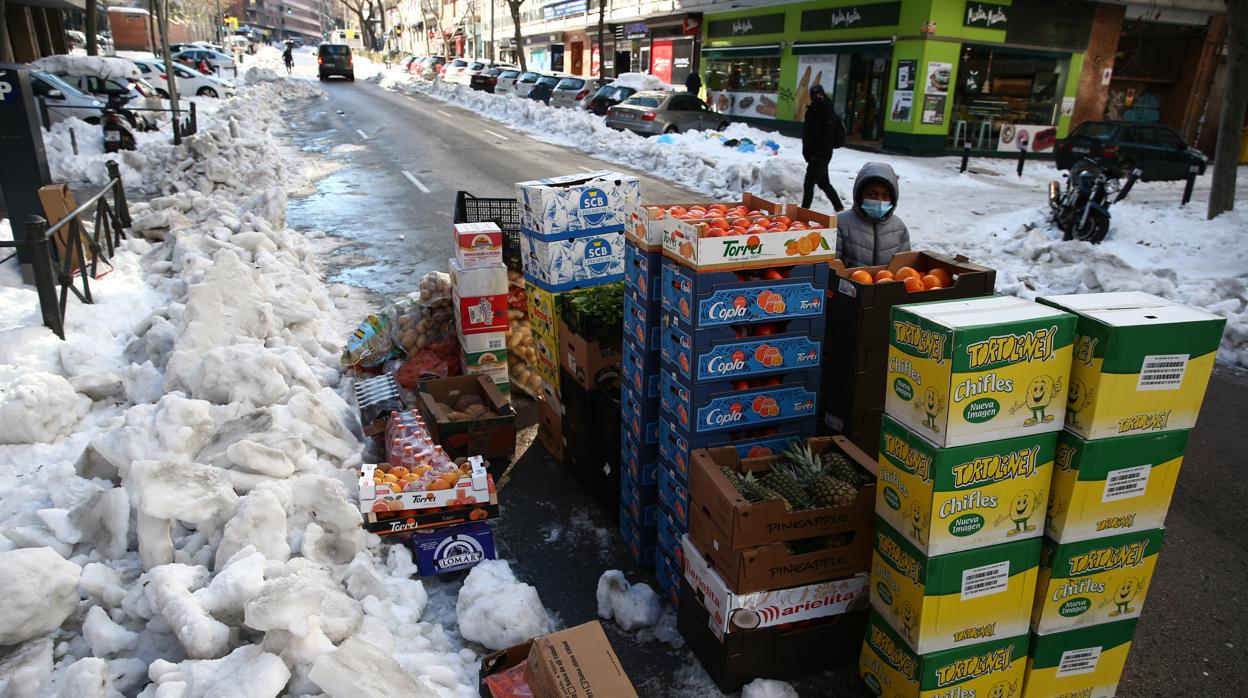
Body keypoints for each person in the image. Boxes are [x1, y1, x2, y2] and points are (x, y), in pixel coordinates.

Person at [835, 162, 911, 269]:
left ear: (893, 198)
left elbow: (903, 270)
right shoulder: (840, 223)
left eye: (885, 195)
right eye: (872, 194)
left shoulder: (899, 229)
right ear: (860, 195)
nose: (879, 201)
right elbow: (831, 268)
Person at [801, 84, 845, 212]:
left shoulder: (825, 111)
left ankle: (804, 212)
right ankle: (839, 208)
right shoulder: (816, 109)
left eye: (819, 94)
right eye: (814, 95)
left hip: (820, 155)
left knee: (808, 184)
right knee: (824, 184)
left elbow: (825, 136)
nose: (817, 97)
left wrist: (816, 154)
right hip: (816, 154)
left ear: (822, 94)